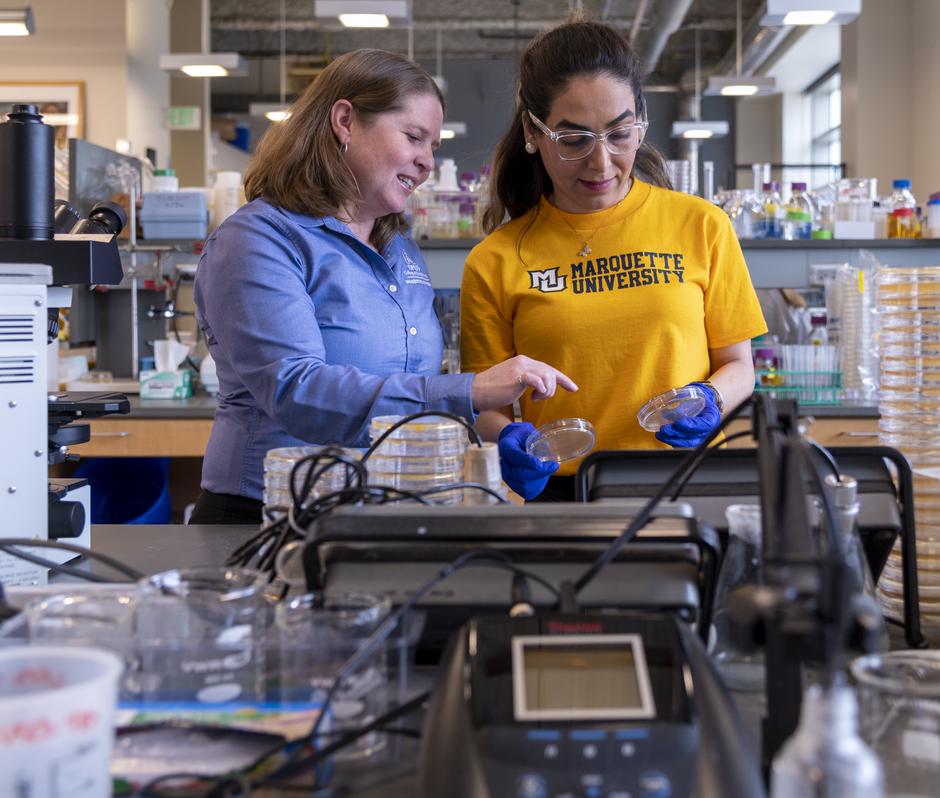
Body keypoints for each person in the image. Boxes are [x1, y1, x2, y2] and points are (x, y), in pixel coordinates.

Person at [192, 49, 575, 524]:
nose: (427, 162)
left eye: (433, 145)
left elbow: (406, 389)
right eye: (414, 137)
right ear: (345, 121)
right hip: (270, 515)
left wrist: (492, 429)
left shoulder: (399, 250)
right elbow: (296, 389)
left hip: (377, 510)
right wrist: (469, 391)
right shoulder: (258, 240)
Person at [460, 19, 767, 502]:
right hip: (568, 493)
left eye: (620, 133)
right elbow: (486, 405)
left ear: (640, 121)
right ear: (532, 133)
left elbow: (738, 366)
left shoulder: (702, 225)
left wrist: (712, 399)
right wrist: (509, 438)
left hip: (690, 483)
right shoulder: (494, 261)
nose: (601, 162)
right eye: (574, 139)